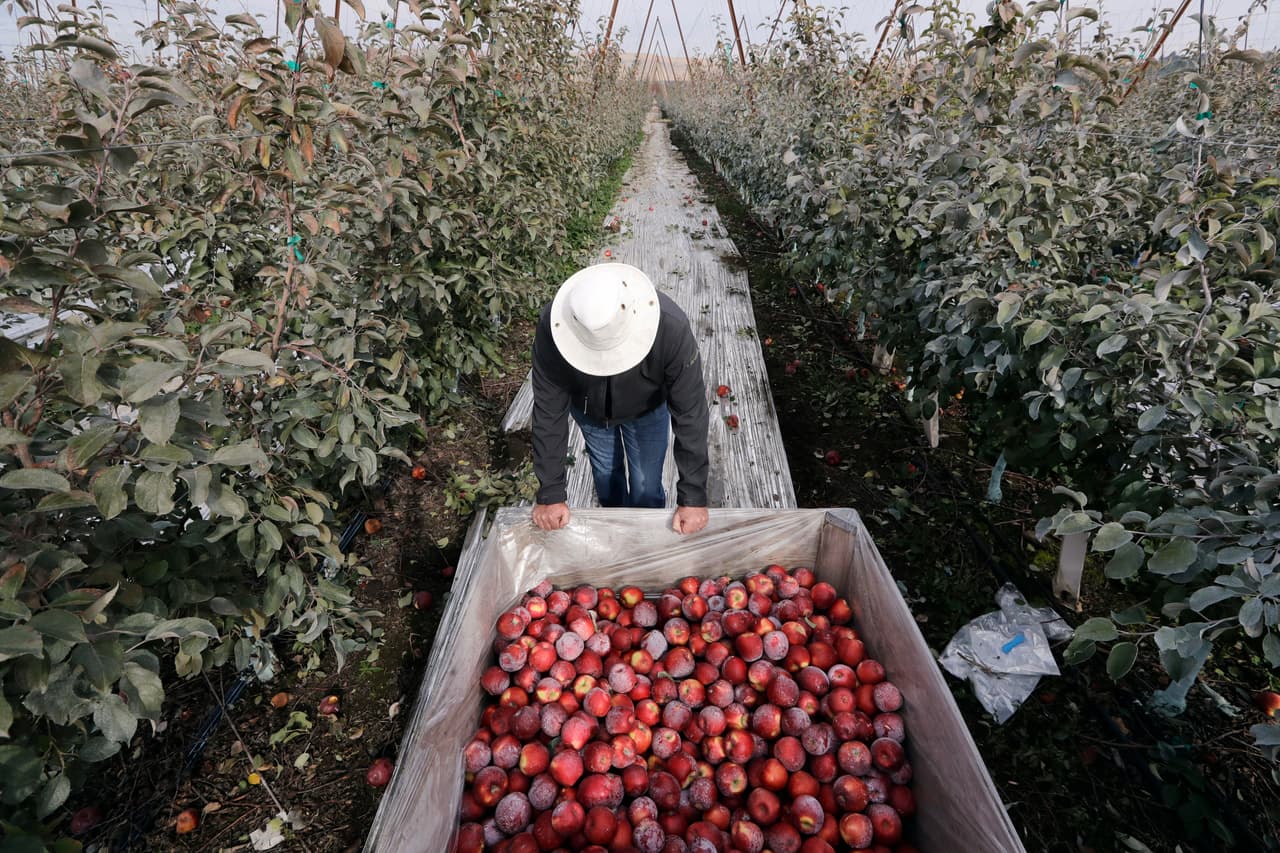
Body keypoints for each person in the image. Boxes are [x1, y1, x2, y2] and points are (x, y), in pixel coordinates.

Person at [530, 262, 710, 535]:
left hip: (647, 409)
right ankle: (614, 533)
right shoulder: (553, 329)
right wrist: (550, 493)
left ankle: (646, 539)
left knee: (645, 484)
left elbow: (691, 413)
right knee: (605, 476)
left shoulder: (670, 329)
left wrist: (693, 497)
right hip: (590, 411)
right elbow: (548, 412)